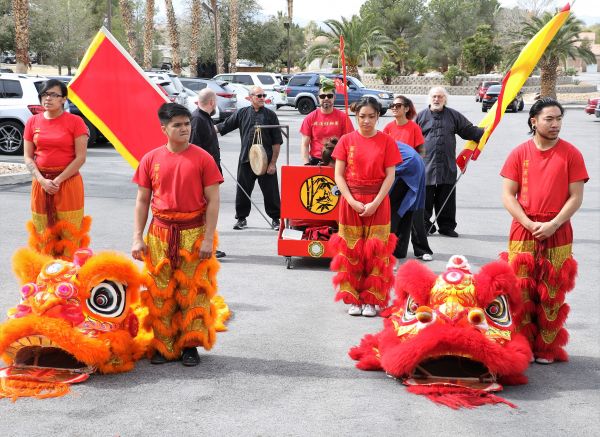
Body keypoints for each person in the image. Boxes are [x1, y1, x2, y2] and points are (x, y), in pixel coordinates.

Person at [131, 103, 224, 367]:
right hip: (160, 232)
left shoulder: (203, 158)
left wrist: (208, 238)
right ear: (164, 129)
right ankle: (163, 345)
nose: (184, 129)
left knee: (192, 291)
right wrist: (137, 237)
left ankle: (190, 346)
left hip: (193, 232)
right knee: (160, 290)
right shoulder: (150, 159)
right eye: (177, 125)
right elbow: (142, 200)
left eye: (187, 124)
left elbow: (214, 200)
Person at [500, 98, 588, 365]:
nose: (555, 124)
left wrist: (553, 224)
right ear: (534, 121)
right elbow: (508, 195)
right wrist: (527, 223)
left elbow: (575, 197)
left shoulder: (571, 154)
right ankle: (521, 344)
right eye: (549, 119)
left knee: (551, 292)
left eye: (559, 118)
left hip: (557, 229)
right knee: (521, 289)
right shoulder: (519, 153)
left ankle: (546, 348)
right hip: (523, 228)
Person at [330, 97, 401, 317]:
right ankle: (354, 300)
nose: (366, 121)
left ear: (378, 117)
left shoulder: (387, 141)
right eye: (362, 116)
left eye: (371, 116)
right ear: (356, 116)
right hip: (351, 200)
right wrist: (351, 200)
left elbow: (391, 175)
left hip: (378, 201)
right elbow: (338, 175)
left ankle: (371, 300)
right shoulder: (346, 140)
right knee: (351, 250)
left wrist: (376, 202)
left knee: (376, 251)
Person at [23, 78, 89, 259]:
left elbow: (80, 157)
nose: (48, 98)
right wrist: (42, 180)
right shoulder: (32, 122)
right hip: (41, 184)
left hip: (68, 184)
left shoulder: (76, 122)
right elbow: (28, 156)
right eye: (44, 94)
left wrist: (58, 181)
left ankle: (68, 282)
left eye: (53, 95)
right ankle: (46, 278)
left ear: (64, 99)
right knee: (43, 234)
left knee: (70, 235)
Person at [416, 86, 484, 237]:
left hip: (447, 165)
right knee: (424, 198)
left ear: (444, 99)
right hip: (425, 165)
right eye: (434, 96)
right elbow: (410, 138)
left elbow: (468, 130)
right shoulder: (420, 117)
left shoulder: (453, 115)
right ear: (429, 98)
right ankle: (425, 226)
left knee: (446, 197)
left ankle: (446, 226)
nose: (437, 99)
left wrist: (484, 131)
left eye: (440, 97)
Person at [216, 86, 283, 231]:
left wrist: (273, 163)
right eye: (258, 95)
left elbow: (277, 142)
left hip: (266, 161)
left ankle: (276, 219)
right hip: (246, 159)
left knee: (271, 191)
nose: (262, 98)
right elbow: (224, 125)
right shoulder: (242, 113)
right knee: (243, 190)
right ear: (250, 97)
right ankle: (241, 219)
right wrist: (205, 128)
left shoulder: (271, 115)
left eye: (263, 95)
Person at [384, 96, 433, 262]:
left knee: (415, 212)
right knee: (395, 213)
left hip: (411, 174)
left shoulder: (414, 127)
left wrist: (416, 170)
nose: (394, 108)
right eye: (393, 105)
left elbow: (421, 151)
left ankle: (422, 250)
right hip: (395, 175)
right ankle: (396, 249)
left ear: (406, 108)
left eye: (398, 105)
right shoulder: (388, 128)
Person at [190, 88, 226, 258]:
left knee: (208, 212)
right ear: (212, 102)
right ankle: (204, 246)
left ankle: (208, 244)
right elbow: (194, 149)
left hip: (209, 175)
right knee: (205, 213)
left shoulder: (205, 119)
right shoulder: (198, 119)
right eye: (216, 101)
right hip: (201, 176)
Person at [300, 76, 353, 165]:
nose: (326, 98)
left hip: (337, 162)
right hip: (316, 161)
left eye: (329, 96)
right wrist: (307, 164)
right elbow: (305, 144)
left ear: (334, 97)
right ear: (318, 98)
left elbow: (349, 142)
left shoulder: (343, 117)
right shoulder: (310, 118)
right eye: (322, 96)